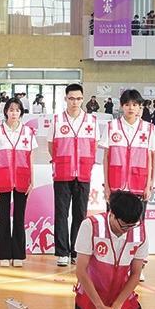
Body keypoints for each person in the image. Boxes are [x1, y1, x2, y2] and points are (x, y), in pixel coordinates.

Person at [70, 191, 148, 309]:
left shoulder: (139, 233)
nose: (127, 230)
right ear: (112, 213)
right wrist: (99, 306)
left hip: (123, 300)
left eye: (132, 225)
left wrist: (118, 305)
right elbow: (81, 271)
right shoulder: (90, 226)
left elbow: (136, 274)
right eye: (123, 226)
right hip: (91, 300)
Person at [49, 83, 99, 268]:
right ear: (65, 99)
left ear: (83, 99)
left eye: (78, 99)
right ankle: (62, 252)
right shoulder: (57, 120)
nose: (75, 102)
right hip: (62, 174)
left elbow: (94, 145)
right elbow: (51, 146)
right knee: (61, 214)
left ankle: (76, 251)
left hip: (83, 174)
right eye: (71, 98)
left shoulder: (91, 121)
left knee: (80, 214)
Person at [0, 96, 36, 268]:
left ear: (21, 112)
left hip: (22, 180)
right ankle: (4, 254)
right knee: (3, 218)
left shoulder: (28, 132)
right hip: (2, 179)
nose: (14, 113)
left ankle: (18, 254)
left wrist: (32, 181)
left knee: (19, 217)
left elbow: (31, 157)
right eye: (11, 110)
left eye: (17, 110)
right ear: (6, 112)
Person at [100, 90, 155, 202]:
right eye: (127, 104)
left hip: (139, 185)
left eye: (134, 105)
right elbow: (106, 158)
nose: (131, 108)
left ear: (140, 106)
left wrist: (150, 184)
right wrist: (106, 186)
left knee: (138, 214)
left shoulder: (149, 129)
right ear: (122, 106)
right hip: (115, 185)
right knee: (114, 214)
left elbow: (152, 160)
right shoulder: (112, 127)